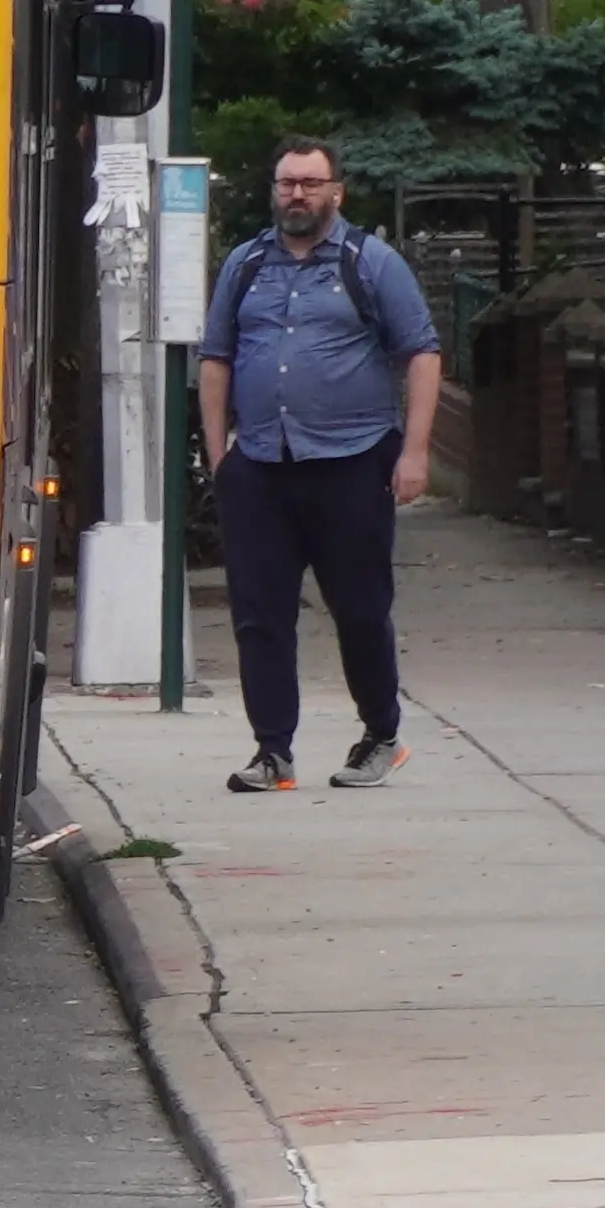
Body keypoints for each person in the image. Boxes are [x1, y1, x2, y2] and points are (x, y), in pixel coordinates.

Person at [194, 138, 444, 794]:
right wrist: (220, 454)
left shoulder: (371, 262)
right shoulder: (246, 264)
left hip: (353, 462)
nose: (296, 195)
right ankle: (273, 751)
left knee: (360, 608)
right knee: (260, 614)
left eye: (310, 183)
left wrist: (415, 451)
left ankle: (381, 735)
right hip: (261, 464)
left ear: (337, 190)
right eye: (286, 183)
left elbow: (421, 352)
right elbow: (216, 357)